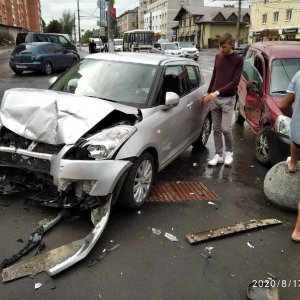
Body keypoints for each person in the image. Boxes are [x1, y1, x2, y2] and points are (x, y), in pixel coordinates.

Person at [204, 32, 243, 166]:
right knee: (216, 129)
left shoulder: (238, 59)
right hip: (215, 98)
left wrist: (217, 92)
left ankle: (229, 152)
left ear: (231, 45)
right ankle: (218, 154)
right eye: (220, 47)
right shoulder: (218, 56)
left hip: (228, 99)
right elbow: (214, 75)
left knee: (226, 128)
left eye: (224, 47)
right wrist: (209, 92)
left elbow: (235, 82)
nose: (222, 49)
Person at [278, 70, 300, 242]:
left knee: (296, 140)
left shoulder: (298, 75)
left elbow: (283, 105)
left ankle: (293, 164)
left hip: (298, 135)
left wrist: (295, 118)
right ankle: (298, 231)